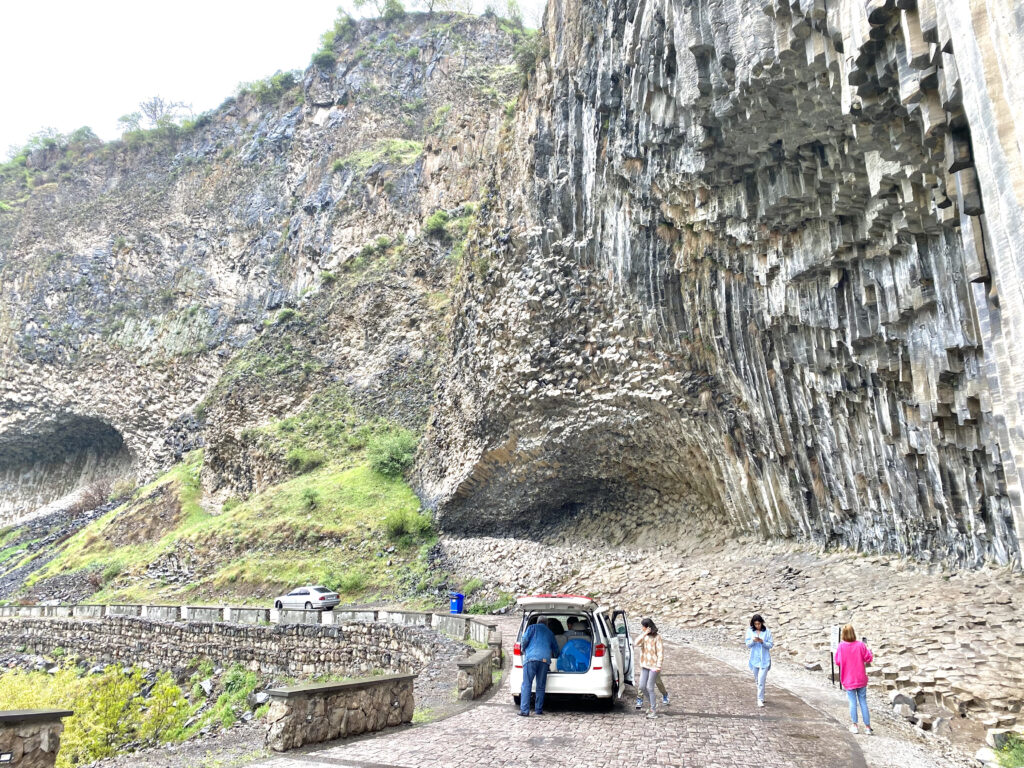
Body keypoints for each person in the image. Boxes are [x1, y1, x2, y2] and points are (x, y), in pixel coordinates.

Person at [834, 623, 874, 735]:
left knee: (852, 702)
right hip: (861, 678)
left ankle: (855, 725)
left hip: (848, 678)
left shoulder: (841, 646)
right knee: (863, 702)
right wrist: (870, 651)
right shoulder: (861, 645)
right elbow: (868, 658)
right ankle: (867, 727)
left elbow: (837, 661)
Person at [519, 615, 560, 716]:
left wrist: (523, 649)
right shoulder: (550, 633)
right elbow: (556, 649)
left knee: (527, 684)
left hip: (531, 659)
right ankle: (538, 710)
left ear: (538, 622)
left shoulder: (531, 628)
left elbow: (524, 640)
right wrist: (557, 656)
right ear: (546, 624)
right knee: (541, 686)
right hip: (544, 661)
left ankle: (524, 710)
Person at [634, 617, 664, 719]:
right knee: (642, 687)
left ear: (648, 627)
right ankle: (652, 704)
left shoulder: (657, 637)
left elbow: (660, 652)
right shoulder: (644, 637)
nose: (642, 628)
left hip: (654, 666)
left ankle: (653, 711)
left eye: (643, 626)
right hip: (645, 665)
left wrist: (658, 666)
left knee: (650, 687)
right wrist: (644, 634)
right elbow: (635, 643)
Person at [745, 613, 774, 707]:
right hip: (754, 659)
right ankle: (761, 695)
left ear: (761, 623)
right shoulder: (750, 631)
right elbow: (747, 644)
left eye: (759, 624)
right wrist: (753, 640)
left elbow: (770, 645)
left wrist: (762, 642)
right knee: (757, 680)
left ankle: (759, 699)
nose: (757, 625)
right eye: (755, 624)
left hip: (764, 659)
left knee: (761, 680)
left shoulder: (767, 631)